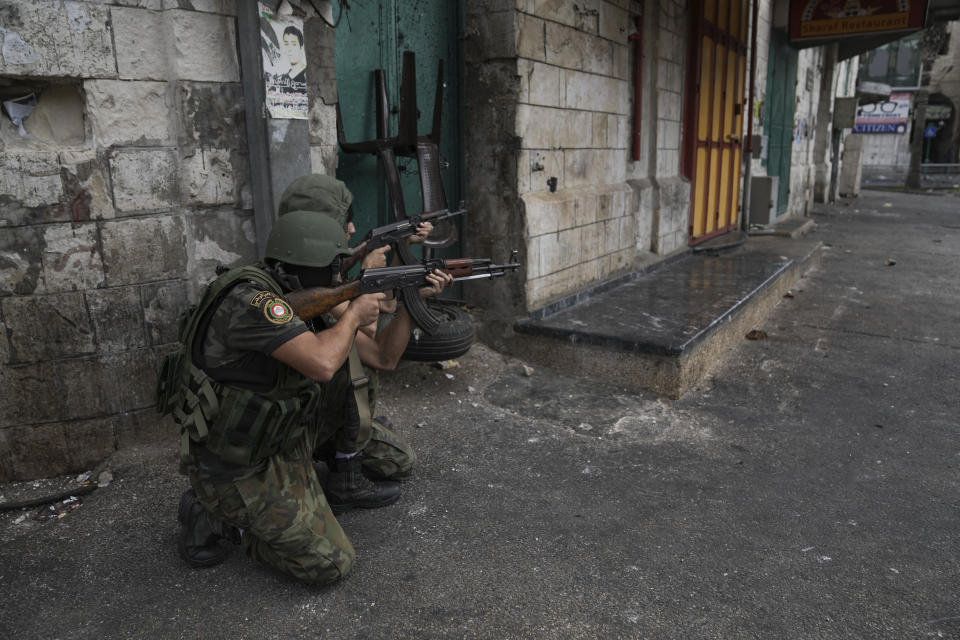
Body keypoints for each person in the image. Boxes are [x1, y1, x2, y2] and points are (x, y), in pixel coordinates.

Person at [158, 208, 451, 584]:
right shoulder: (254, 302)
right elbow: (323, 364)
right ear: (308, 267)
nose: (339, 275)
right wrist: (354, 313)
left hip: (284, 436)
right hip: (238, 464)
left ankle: (336, 476)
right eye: (334, 267)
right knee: (330, 563)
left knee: (398, 459)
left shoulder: (301, 294)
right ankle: (215, 516)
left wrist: (413, 300)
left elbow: (382, 357)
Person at [277, 174, 437, 484]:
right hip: (284, 427)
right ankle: (340, 458)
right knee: (354, 360)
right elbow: (378, 352)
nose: (351, 228)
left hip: (299, 411)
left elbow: (383, 307)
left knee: (398, 461)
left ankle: (338, 437)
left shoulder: (297, 272)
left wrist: (401, 280)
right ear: (319, 225)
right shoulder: (298, 290)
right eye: (343, 221)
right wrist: (369, 279)